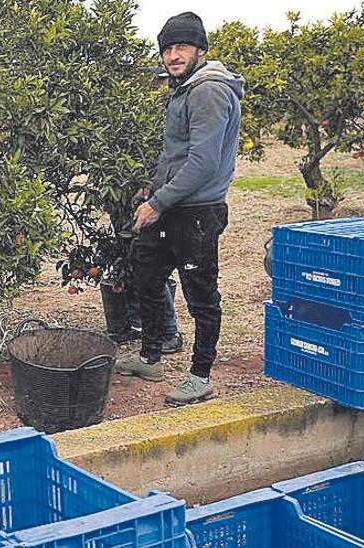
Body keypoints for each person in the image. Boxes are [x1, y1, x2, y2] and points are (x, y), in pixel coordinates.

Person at [116, 12, 244, 405]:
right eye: (168, 48)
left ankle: (200, 374)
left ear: (200, 50)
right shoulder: (183, 88)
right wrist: (153, 188)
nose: (173, 55)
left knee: (201, 295)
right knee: (146, 276)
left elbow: (203, 162)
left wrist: (158, 202)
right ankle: (150, 356)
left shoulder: (208, 91)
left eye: (181, 47)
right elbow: (177, 154)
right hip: (174, 205)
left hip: (197, 213)